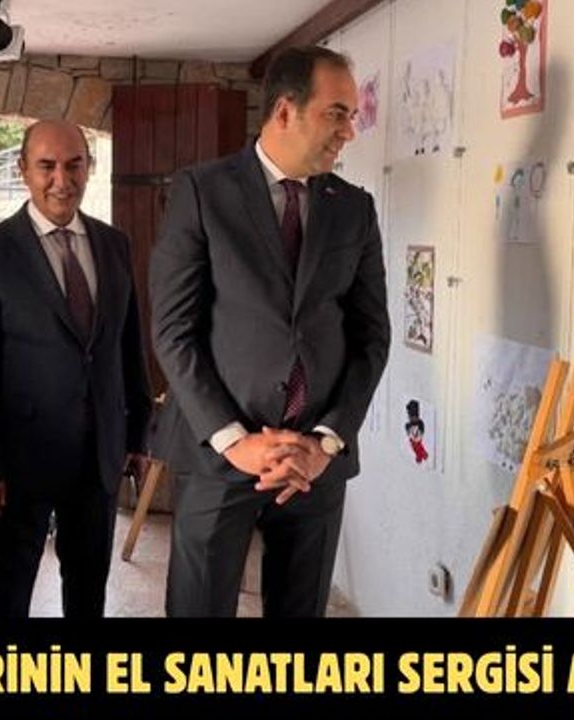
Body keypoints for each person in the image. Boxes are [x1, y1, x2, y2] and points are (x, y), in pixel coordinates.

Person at [150, 46, 391, 617]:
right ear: (285, 110)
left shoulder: (354, 209)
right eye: (337, 114)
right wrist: (237, 441)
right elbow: (174, 330)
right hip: (220, 455)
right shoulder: (202, 192)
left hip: (315, 462)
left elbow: (371, 337)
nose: (349, 132)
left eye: (352, 116)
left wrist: (327, 441)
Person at [0, 119, 153, 619]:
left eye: (74, 165)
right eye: (47, 166)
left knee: (88, 597)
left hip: (98, 461)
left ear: (89, 167)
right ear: (23, 170)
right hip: (15, 469)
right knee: (2, 602)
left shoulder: (114, 245)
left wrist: (137, 435)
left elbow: (128, 346)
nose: (62, 180)